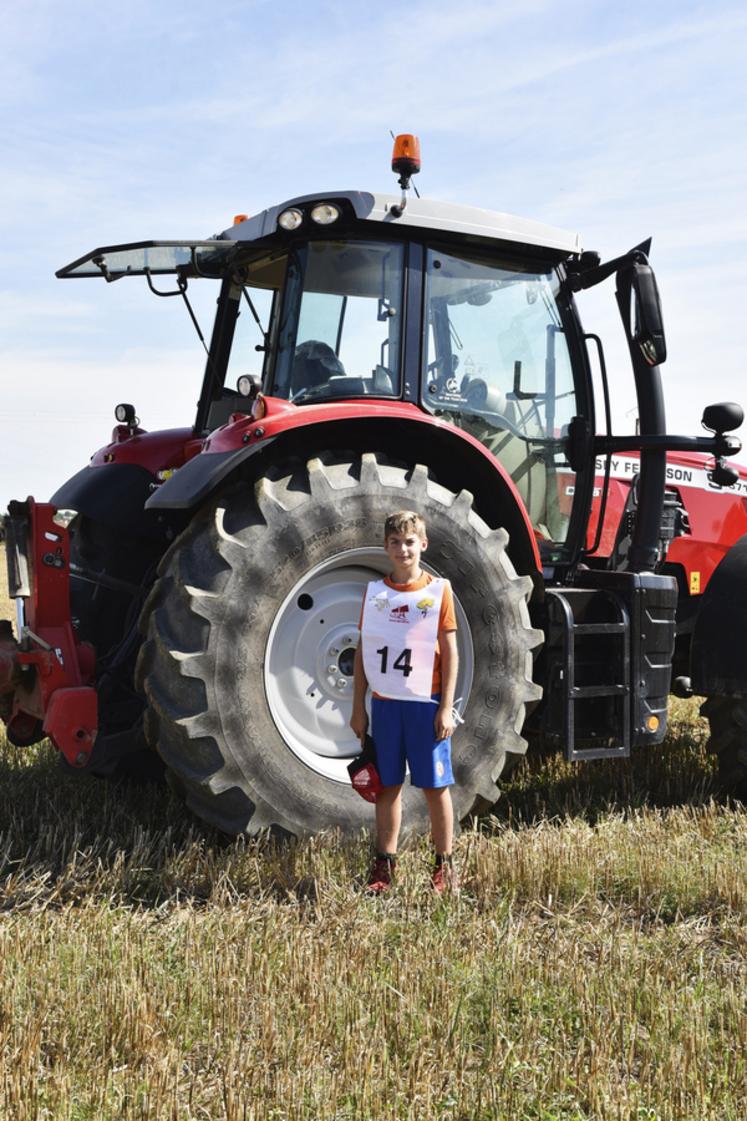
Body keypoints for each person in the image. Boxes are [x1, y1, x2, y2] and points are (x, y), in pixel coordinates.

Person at [350, 510, 459, 895]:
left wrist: (445, 707)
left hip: (425, 704)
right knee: (387, 786)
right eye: (395, 542)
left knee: (434, 786)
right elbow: (363, 651)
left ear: (423, 544)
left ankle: (444, 865)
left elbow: (451, 652)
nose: (403, 549)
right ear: (385, 547)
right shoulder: (375, 595)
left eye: (410, 542)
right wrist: (358, 707)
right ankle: (384, 865)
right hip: (386, 705)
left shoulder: (438, 592)